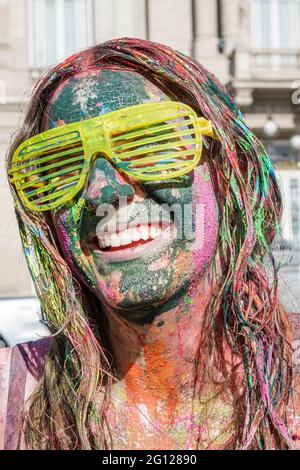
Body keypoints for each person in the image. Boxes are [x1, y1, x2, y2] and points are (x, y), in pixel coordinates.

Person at [1, 38, 299, 450]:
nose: (100, 190)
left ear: (232, 175)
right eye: (61, 163)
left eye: (150, 143)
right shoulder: (12, 401)